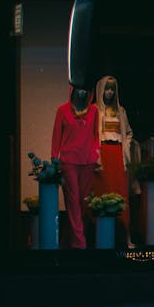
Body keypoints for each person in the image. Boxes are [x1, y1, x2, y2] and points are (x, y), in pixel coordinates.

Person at [51, 85, 99, 248]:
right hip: (69, 161)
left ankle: (69, 239)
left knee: (83, 203)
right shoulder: (62, 110)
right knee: (72, 202)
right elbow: (56, 135)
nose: (82, 93)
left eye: (85, 89)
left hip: (88, 161)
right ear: (72, 91)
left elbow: (96, 135)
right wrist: (54, 158)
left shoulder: (94, 111)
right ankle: (80, 243)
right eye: (79, 89)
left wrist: (97, 154)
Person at [91, 75, 135, 248]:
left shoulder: (121, 111)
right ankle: (100, 237)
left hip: (117, 155)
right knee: (102, 192)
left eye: (112, 89)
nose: (109, 92)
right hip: (102, 155)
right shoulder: (95, 110)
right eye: (107, 88)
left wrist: (126, 147)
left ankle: (125, 237)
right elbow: (92, 134)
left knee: (120, 193)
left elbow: (129, 133)